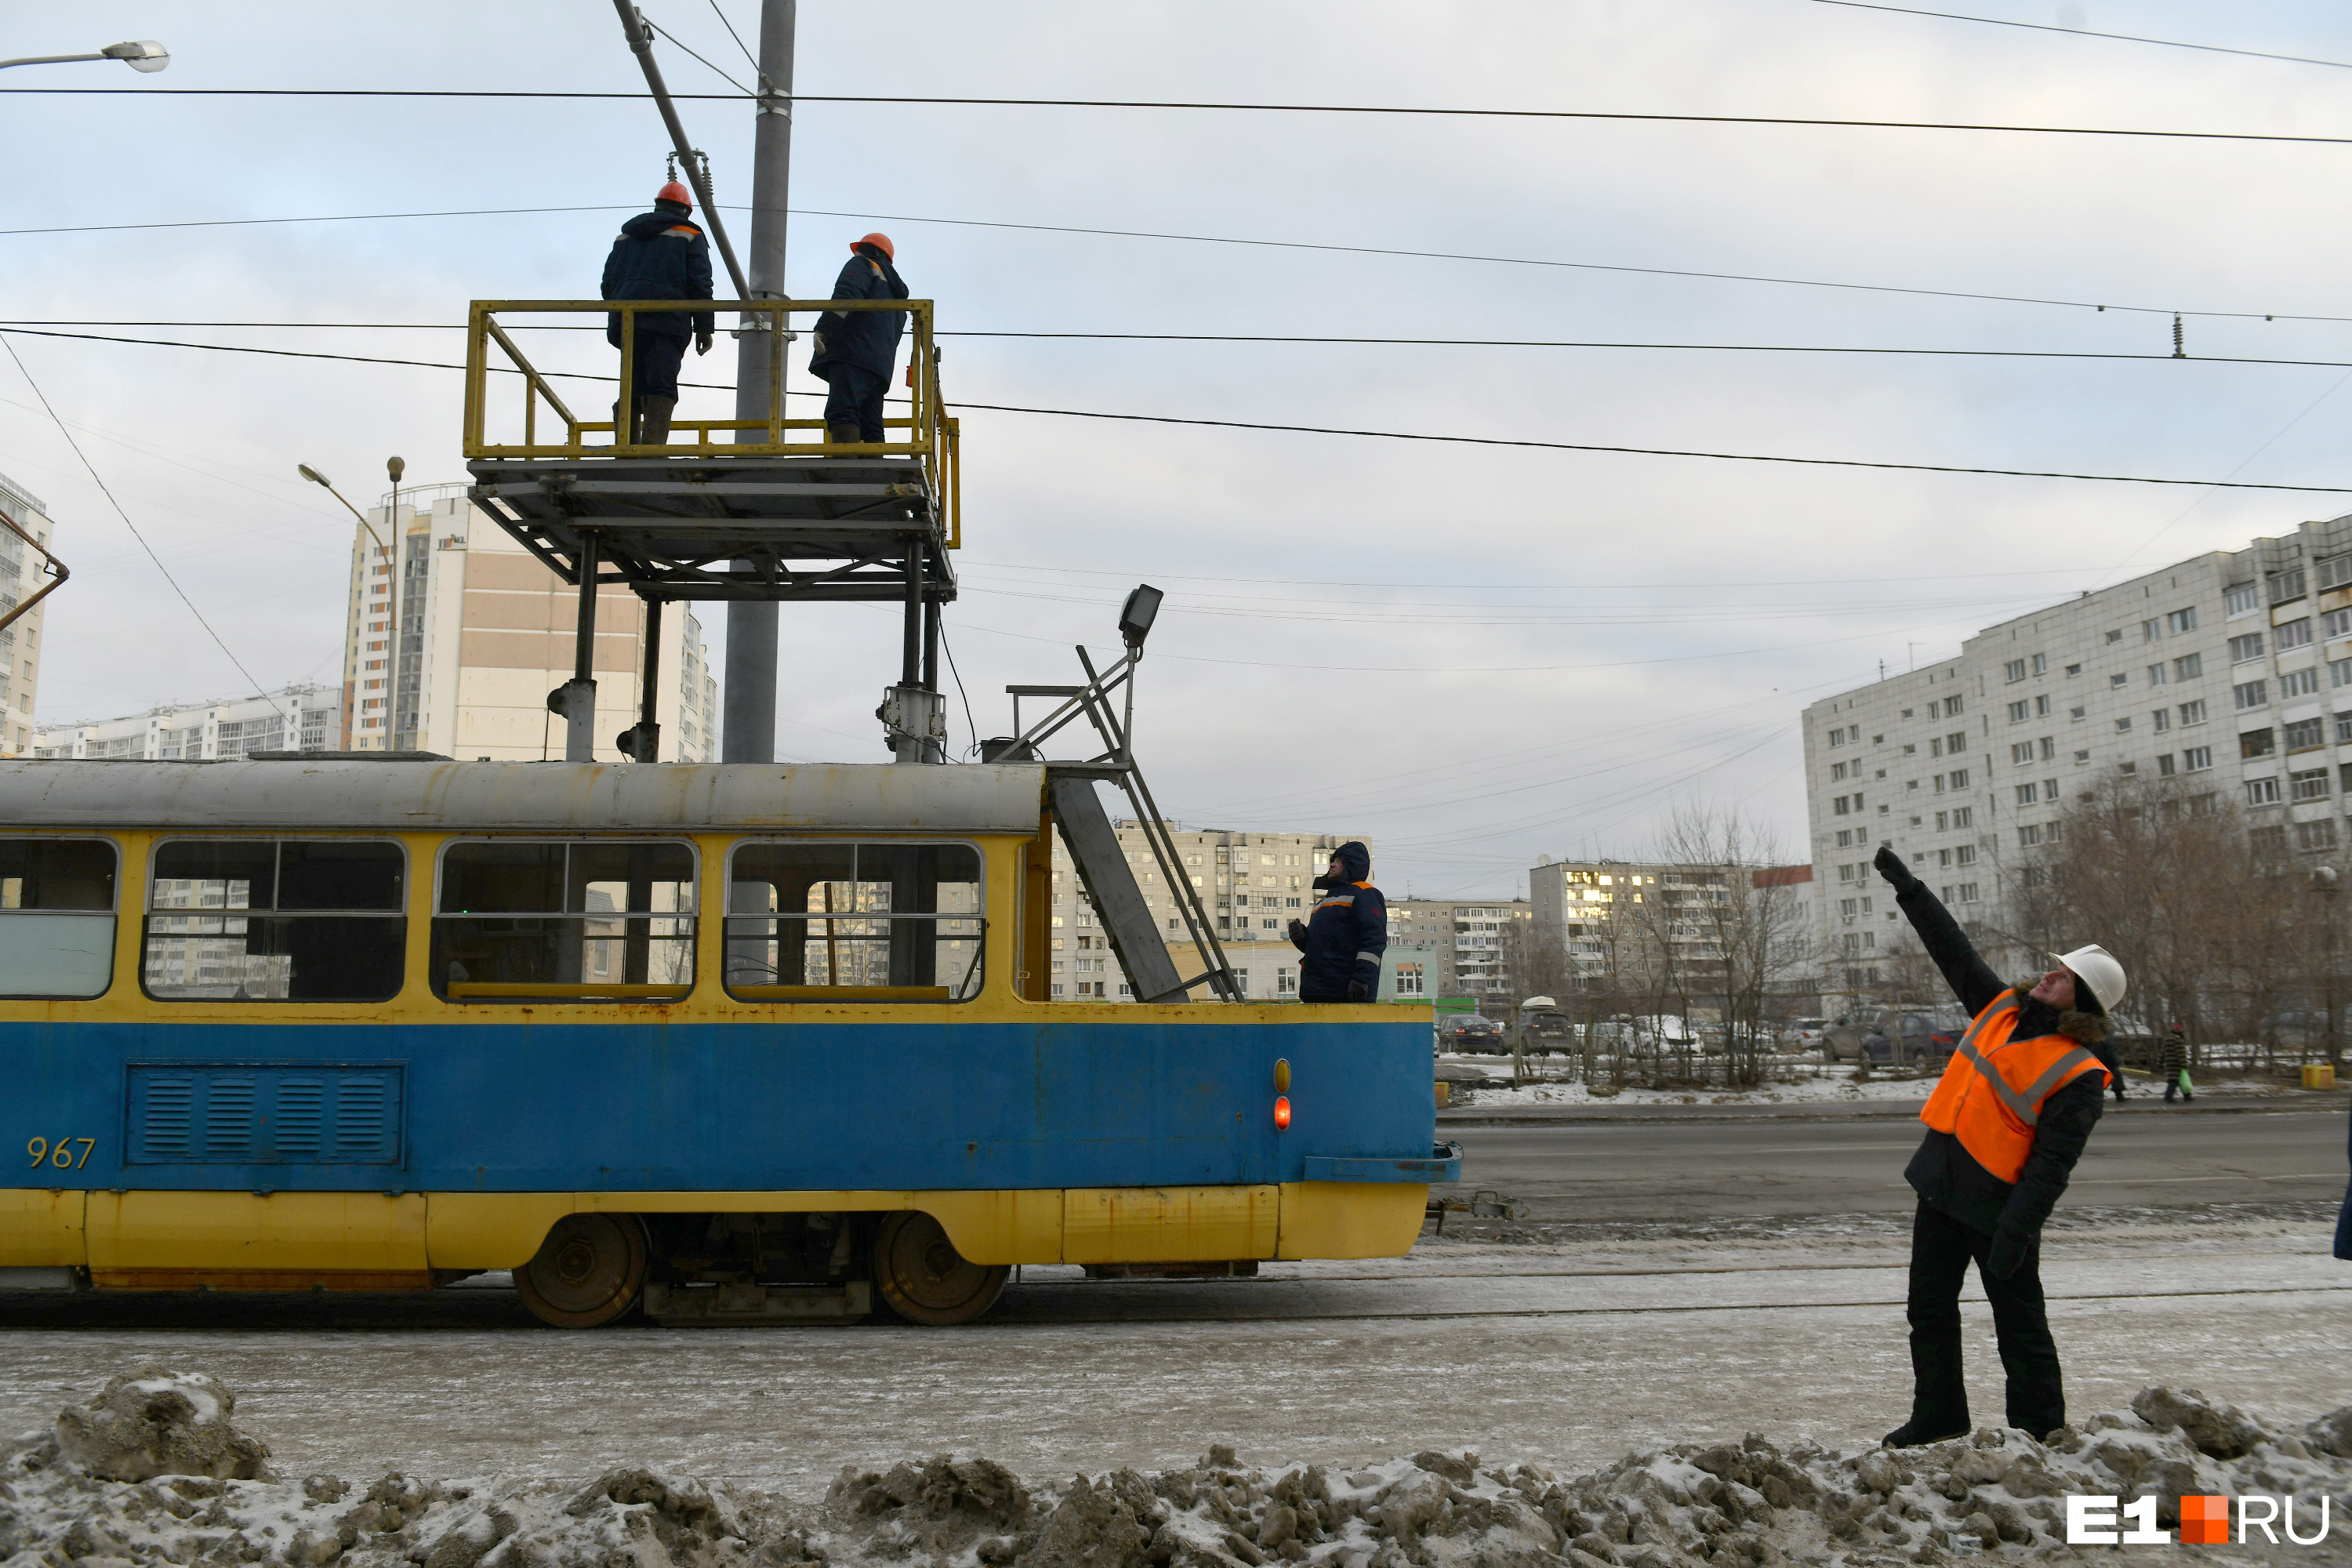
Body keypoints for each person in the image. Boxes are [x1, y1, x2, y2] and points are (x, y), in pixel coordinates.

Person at [1871, 844, 2123, 1446]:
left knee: (2020, 1323)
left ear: (2081, 1001)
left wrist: (2015, 1230)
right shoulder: (2001, 1009)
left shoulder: (2080, 1072)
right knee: (1928, 1313)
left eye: (2062, 976)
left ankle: (2040, 1431)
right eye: (2052, 967)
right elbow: (1951, 948)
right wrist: (1910, 889)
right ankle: (1939, 1416)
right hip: (1941, 1185)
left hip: (1999, 1209)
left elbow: (2052, 1165)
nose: (2048, 974)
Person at [599, 180, 714, 445]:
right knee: (661, 383)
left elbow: (608, 283)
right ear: (686, 210)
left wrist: (619, 310)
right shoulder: (690, 234)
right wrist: (705, 327)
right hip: (667, 321)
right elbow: (700, 283)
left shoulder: (626, 236)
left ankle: (626, 445)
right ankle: (651, 449)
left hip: (626, 321)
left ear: (657, 205)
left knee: (632, 382)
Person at [808, 233, 909, 446]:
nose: (857, 252)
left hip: (852, 355)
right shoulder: (897, 294)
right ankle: (873, 469)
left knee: (842, 409)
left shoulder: (863, 264)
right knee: (871, 420)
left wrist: (824, 329)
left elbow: (847, 295)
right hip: (879, 366)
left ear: (871, 251)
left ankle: (845, 466)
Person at [1285, 841, 1387, 1003]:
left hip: (1348, 993)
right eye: (1333, 860)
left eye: (1339, 861)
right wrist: (1301, 938)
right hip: (1316, 992)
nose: (1332, 865)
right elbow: (1321, 949)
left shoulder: (1366, 893)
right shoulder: (1324, 901)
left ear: (1351, 865)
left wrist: (1362, 979)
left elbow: (1374, 941)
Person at [2157, 1023, 2194, 1103]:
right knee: (2174, 1081)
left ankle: (2187, 1096)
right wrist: (2184, 1065)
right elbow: (2181, 1054)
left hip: (2169, 1064)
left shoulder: (2166, 1040)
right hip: (2177, 1064)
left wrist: (2160, 1063)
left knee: (2180, 1080)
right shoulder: (2178, 1040)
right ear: (2179, 1032)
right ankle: (2168, 1097)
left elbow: (2162, 1052)